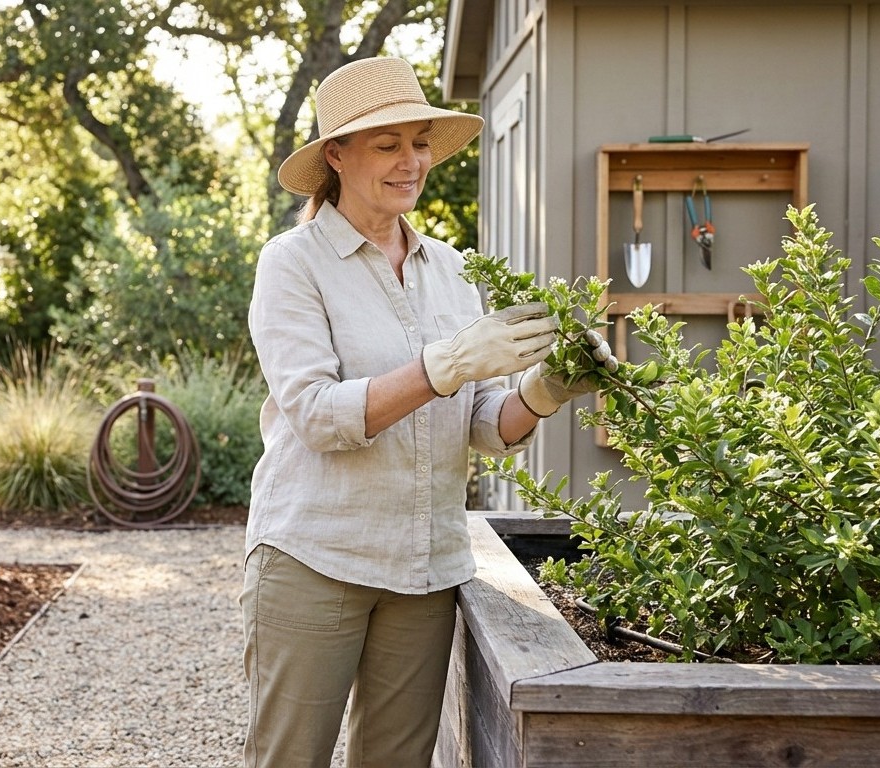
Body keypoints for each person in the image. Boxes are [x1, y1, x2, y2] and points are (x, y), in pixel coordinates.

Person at [241, 56, 615, 768]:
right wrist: (444, 364)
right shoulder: (292, 264)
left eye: (419, 143)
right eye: (387, 144)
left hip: (422, 569)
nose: (410, 161)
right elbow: (317, 417)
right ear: (336, 155)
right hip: (315, 558)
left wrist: (545, 390)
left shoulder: (450, 269)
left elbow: (481, 424)